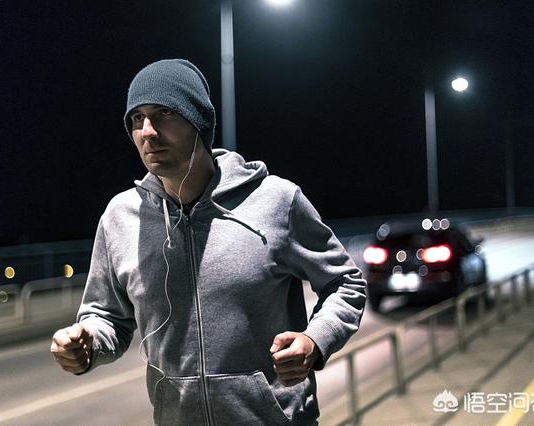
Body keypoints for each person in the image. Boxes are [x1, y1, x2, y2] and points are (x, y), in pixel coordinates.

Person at [51, 59, 366, 426]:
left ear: (198, 120)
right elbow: (108, 317)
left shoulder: (275, 201)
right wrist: (88, 341)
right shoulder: (120, 218)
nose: (147, 131)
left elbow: (346, 283)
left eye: (164, 113)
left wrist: (315, 340)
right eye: (137, 119)